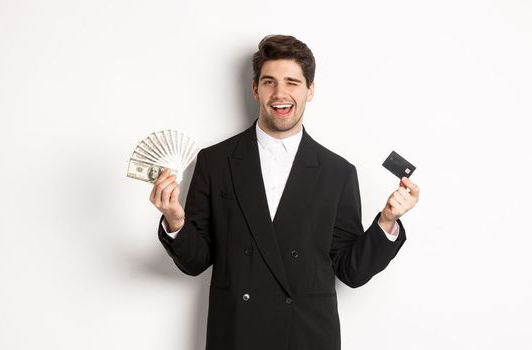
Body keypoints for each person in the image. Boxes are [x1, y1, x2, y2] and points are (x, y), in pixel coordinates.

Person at [149, 34, 420, 350]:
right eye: (269, 82)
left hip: (307, 336)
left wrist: (387, 221)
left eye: (292, 82)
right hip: (237, 334)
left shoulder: (338, 172)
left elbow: (352, 271)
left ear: (310, 90)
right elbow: (196, 262)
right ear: (255, 89)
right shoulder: (216, 161)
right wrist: (175, 221)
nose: (280, 93)